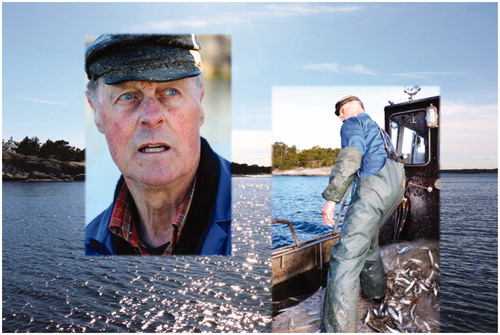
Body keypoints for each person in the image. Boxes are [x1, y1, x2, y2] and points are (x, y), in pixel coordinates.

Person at [84, 34, 231, 256]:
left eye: (172, 92)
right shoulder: (89, 244)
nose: (152, 116)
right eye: (127, 96)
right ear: (95, 111)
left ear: (199, 102)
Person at [321, 96, 405, 332]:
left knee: (345, 256)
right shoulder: (379, 131)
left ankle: (338, 328)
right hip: (394, 190)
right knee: (368, 243)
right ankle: (376, 294)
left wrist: (331, 199)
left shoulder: (353, 123)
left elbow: (350, 159)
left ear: (353, 108)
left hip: (373, 192)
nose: (340, 116)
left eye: (341, 110)